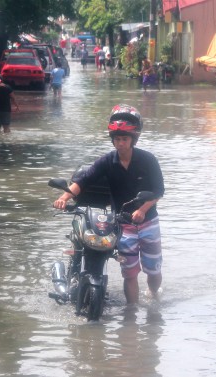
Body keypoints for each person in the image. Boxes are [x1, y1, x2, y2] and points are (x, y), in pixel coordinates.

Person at [53, 104, 165, 304]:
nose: (120, 143)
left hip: (148, 221)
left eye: (124, 139)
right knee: (129, 273)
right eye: (117, 139)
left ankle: (154, 294)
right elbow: (83, 181)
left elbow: (158, 191)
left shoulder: (148, 160)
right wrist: (64, 197)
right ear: (112, 140)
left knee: (153, 269)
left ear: (132, 140)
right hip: (122, 223)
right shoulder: (107, 161)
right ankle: (131, 314)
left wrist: (142, 209)